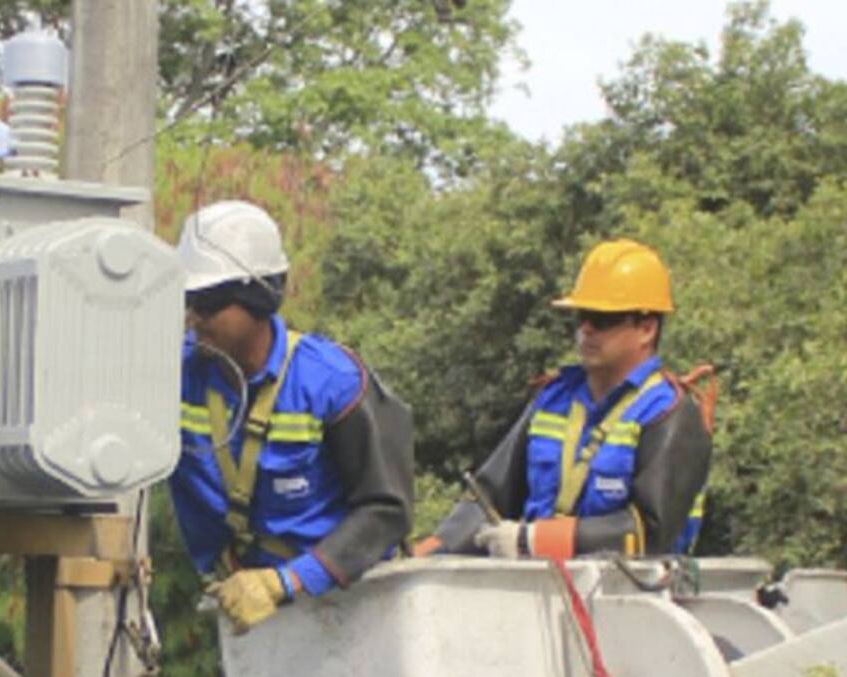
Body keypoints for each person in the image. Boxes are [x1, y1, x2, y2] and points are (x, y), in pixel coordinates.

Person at [169, 199, 414, 633]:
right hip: (246, 606)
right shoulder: (175, 374)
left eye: (207, 303)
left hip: (348, 606)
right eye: (188, 300)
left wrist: (290, 581)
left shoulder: (330, 382)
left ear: (256, 298)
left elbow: (386, 510)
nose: (193, 318)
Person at [417, 239, 712, 560]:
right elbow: (489, 496)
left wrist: (533, 540)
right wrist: (433, 551)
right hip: (541, 587)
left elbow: (651, 533)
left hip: (632, 595)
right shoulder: (553, 399)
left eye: (602, 319)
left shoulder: (670, 414)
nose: (586, 330)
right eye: (581, 316)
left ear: (646, 328)